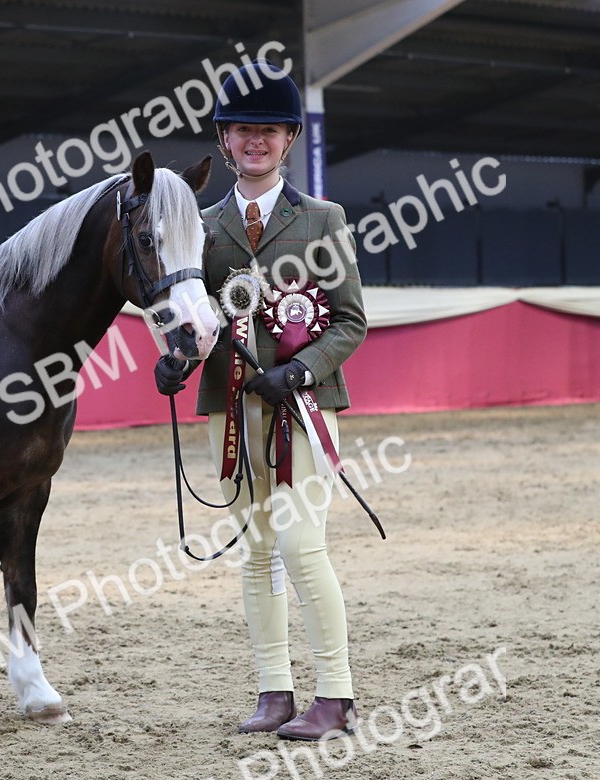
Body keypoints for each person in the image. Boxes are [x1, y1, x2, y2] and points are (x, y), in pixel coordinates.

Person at [154, 61, 367, 740]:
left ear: (288, 139)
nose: (255, 141)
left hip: (300, 409)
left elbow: (350, 321)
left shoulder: (324, 219)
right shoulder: (200, 226)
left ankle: (335, 696)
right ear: (224, 139)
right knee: (258, 552)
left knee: (303, 545)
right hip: (233, 410)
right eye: (243, 130)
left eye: (268, 131)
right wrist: (177, 361)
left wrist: (300, 372)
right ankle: (273, 691)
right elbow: (196, 317)